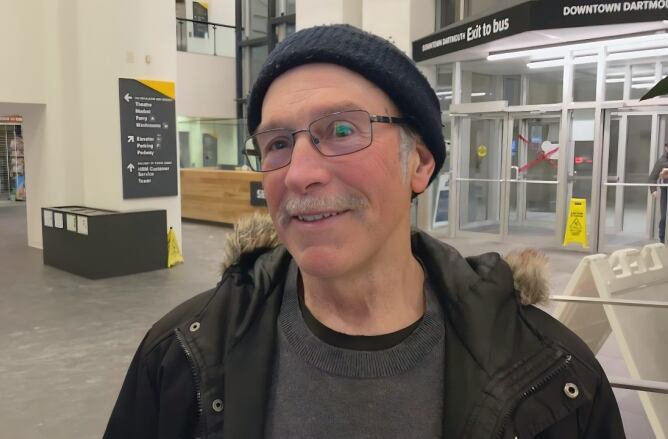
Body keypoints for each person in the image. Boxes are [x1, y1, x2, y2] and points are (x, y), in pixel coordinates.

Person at [105, 25, 624, 438]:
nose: (299, 172)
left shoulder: (554, 382)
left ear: (419, 165)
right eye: (277, 144)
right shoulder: (180, 359)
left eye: (343, 131)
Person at [649, 142, 668, 243]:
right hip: (665, 190)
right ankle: (662, 239)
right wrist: (654, 190)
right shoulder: (661, 161)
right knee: (664, 215)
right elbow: (652, 177)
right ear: (666, 148)